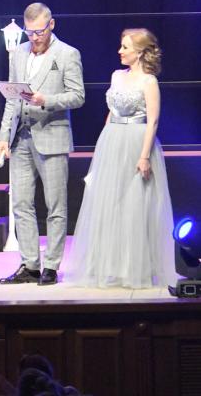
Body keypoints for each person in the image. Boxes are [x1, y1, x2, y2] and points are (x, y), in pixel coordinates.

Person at [71, 27, 174, 288]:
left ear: (139, 52)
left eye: (125, 47)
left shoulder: (149, 81)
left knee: (134, 205)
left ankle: (134, 269)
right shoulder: (116, 76)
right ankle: (108, 266)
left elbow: (153, 121)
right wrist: (103, 146)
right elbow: (111, 112)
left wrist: (144, 156)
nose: (120, 51)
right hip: (112, 140)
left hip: (136, 141)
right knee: (110, 203)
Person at [0, 2, 84, 285]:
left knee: (55, 205)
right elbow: (12, 98)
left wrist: (47, 100)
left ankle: (52, 265)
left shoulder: (67, 54)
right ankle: (30, 264)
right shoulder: (19, 54)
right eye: (30, 32)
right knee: (21, 204)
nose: (35, 37)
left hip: (52, 135)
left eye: (40, 31)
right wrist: (3, 136)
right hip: (21, 137)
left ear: (51, 24)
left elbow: (78, 96)